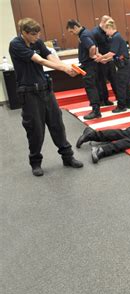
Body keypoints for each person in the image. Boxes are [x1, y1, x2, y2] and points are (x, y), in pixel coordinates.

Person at [9, 18, 83, 176]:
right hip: (29, 93)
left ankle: (67, 157)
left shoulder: (37, 42)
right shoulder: (16, 44)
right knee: (35, 129)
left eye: (38, 34)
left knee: (57, 124)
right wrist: (64, 69)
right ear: (24, 33)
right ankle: (35, 162)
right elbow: (39, 60)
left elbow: (49, 55)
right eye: (33, 35)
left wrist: (64, 66)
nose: (36, 37)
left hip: (46, 90)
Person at [66, 20, 101, 120]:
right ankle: (97, 107)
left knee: (90, 87)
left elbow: (92, 46)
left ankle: (96, 111)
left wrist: (91, 56)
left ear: (76, 27)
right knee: (94, 85)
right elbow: (95, 46)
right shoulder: (87, 31)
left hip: (88, 65)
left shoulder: (83, 35)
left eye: (71, 31)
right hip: (91, 64)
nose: (71, 34)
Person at [96, 19, 130, 114]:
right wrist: (105, 60)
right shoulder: (117, 36)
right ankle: (129, 103)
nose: (106, 33)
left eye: (106, 30)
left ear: (110, 28)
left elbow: (112, 53)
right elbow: (115, 54)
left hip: (123, 64)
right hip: (125, 63)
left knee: (120, 85)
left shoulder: (116, 37)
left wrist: (101, 57)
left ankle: (121, 106)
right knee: (125, 85)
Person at [92, 15, 118, 106]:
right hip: (101, 60)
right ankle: (104, 100)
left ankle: (119, 96)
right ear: (103, 23)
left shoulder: (108, 31)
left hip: (109, 59)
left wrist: (109, 58)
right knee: (101, 81)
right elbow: (94, 48)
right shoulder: (95, 33)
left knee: (114, 78)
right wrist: (101, 58)